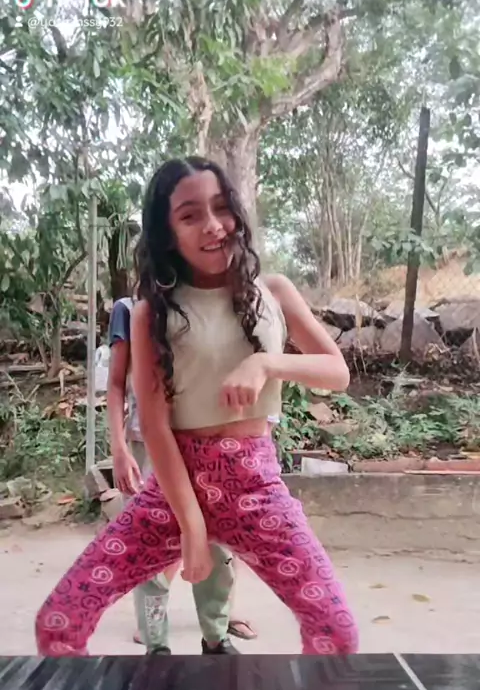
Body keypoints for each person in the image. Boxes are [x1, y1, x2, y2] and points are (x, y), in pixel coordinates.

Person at [35, 155, 359, 657]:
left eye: (221, 207)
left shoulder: (273, 291)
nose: (213, 225)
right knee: (60, 620)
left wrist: (266, 364)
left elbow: (336, 372)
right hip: (172, 490)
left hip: (255, 486)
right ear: (167, 233)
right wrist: (192, 526)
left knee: (336, 630)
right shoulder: (150, 313)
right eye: (190, 215)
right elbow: (155, 427)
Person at [107, 293, 257, 653]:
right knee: (154, 542)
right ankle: (154, 639)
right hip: (150, 442)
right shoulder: (130, 310)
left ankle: (217, 632)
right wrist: (118, 448)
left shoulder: (211, 303)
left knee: (219, 537)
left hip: (206, 441)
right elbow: (116, 383)